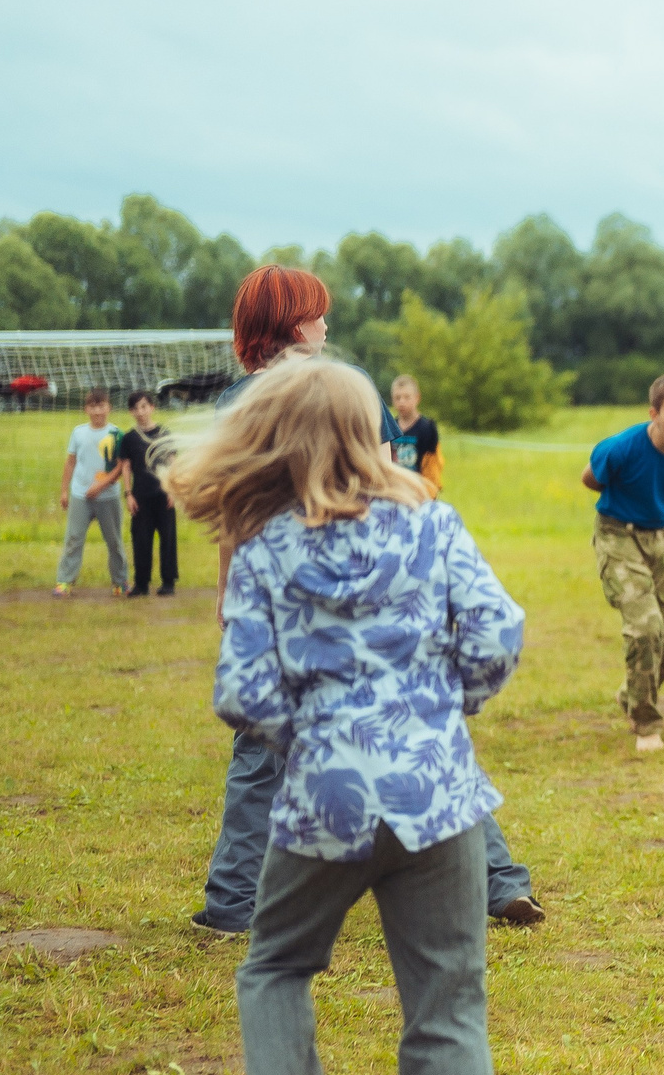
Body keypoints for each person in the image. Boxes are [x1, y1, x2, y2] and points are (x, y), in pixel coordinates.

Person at [169, 358, 523, 1075]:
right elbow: (497, 635)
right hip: (439, 798)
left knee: (276, 966)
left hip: (323, 798)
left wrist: (309, 745)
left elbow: (243, 692)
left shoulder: (265, 552)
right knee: (446, 1003)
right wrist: (445, 715)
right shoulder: (433, 525)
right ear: (373, 431)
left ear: (273, 442)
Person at [196, 266, 544, 933]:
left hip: (287, 595)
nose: (327, 325)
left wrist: (229, 595)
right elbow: (389, 494)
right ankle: (498, 883)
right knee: (417, 736)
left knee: (259, 751)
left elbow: (233, 514)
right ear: (295, 322)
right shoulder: (354, 394)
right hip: (370, 587)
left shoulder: (235, 404)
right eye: (318, 314)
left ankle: (233, 902)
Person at [585, 373, 664, 755]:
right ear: (654, 413)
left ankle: (632, 694)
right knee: (645, 629)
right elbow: (590, 479)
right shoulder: (620, 448)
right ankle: (646, 724)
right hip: (619, 535)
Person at [102, 390, 178, 597]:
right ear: (131, 412)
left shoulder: (164, 433)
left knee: (168, 538)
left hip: (164, 494)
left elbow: (173, 463)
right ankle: (141, 583)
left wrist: (174, 491)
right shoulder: (128, 438)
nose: (141, 411)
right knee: (141, 539)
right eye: (136, 408)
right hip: (141, 495)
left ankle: (168, 582)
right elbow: (125, 467)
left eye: (144, 406)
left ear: (152, 407)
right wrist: (128, 494)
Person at [54, 388, 127, 597]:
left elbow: (121, 467)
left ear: (109, 408)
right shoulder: (78, 433)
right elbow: (70, 463)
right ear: (86, 409)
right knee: (74, 538)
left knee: (114, 540)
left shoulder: (117, 434)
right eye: (93, 407)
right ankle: (65, 581)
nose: (97, 411)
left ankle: (120, 582)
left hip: (108, 496)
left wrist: (101, 486)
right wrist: (64, 491)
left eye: (101, 406)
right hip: (80, 495)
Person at [390, 373, 443, 490]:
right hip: (395, 491)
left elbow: (432, 466)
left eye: (407, 397)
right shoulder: (389, 428)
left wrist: (429, 494)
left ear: (417, 398)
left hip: (419, 491)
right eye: (397, 397)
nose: (402, 402)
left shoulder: (427, 428)